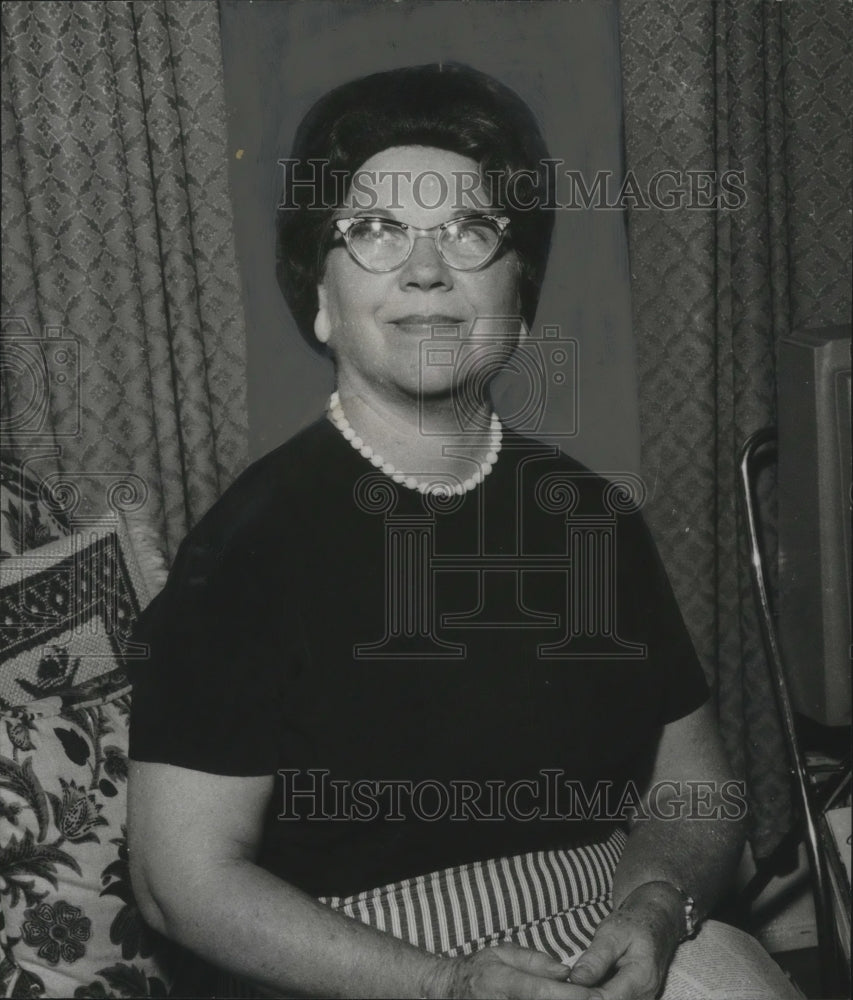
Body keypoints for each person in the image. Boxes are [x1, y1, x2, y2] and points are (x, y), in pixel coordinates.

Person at [128, 64, 800, 999]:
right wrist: (445, 985)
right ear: (318, 298)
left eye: (469, 230)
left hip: (602, 938)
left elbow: (697, 793)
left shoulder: (592, 519)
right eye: (372, 231)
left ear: (517, 301)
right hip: (358, 970)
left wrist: (654, 908)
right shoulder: (245, 549)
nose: (425, 269)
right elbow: (179, 885)